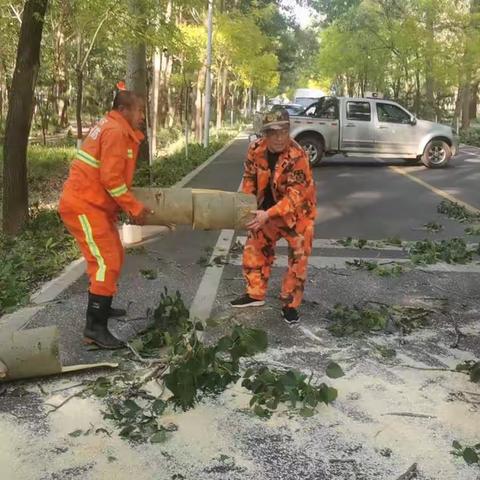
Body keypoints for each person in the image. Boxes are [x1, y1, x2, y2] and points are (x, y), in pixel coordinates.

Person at [59, 90, 150, 349]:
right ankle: (95, 328)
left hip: (93, 204)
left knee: (113, 257)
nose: (142, 116)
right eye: (139, 110)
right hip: (84, 206)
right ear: (123, 111)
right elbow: (111, 179)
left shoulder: (114, 127)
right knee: (105, 262)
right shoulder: (115, 132)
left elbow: (111, 177)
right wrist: (134, 208)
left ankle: (103, 303)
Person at [231, 109, 316, 324]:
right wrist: (246, 209)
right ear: (265, 134)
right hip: (265, 212)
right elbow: (249, 179)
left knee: (298, 258)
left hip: (297, 215)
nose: (279, 138)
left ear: (289, 131)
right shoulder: (255, 149)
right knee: (254, 248)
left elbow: (295, 196)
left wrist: (267, 214)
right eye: (273, 133)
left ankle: (290, 305)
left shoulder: (298, 155)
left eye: (283, 131)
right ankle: (255, 294)